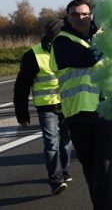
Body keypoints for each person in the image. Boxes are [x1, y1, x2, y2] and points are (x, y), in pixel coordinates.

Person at [51, 0, 112, 209]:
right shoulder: (62, 42)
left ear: (91, 16)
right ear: (67, 18)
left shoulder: (103, 37)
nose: (80, 18)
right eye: (75, 14)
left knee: (105, 166)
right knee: (91, 168)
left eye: (85, 14)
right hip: (79, 114)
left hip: (106, 111)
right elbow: (88, 58)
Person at [13, 19, 73, 195]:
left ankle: (64, 170)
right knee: (51, 143)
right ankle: (56, 180)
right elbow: (22, 86)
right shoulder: (33, 55)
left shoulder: (70, 49)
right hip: (47, 107)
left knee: (67, 141)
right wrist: (21, 113)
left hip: (69, 104)